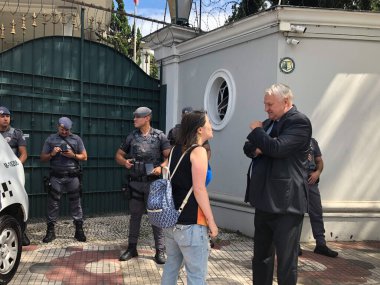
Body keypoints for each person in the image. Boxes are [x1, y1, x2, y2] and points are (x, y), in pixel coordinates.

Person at [243, 83, 312, 285]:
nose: (266, 109)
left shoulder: (299, 122)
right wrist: (263, 144)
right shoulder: (268, 123)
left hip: (286, 203)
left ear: (286, 102)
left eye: (270, 104)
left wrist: (259, 133)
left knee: (286, 261)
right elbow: (248, 147)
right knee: (261, 257)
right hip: (264, 200)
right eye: (265, 104)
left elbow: (277, 148)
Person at [161, 110, 218, 285]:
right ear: (200, 129)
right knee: (196, 274)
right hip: (191, 224)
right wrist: (212, 222)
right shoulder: (198, 151)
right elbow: (199, 190)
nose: (211, 125)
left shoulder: (175, 150)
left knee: (171, 266)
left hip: (172, 221)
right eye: (208, 122)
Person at [115, 107, 171, 264]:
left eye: (137, 117)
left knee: (156, 218)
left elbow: (169, 156)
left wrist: (161, 166)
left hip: (154, 185)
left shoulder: (160, 136)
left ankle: (160, 251)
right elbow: (118, 155)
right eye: (134, 117)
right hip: (135, 184)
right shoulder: (131, 137)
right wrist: (124, 162)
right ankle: (132, 248)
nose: (134, 119)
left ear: (147, 118)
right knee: (135, 217)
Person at [40, 117, 88, 243]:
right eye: (62, 129)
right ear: (58, 127)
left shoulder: (76, 139)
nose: (65, 132)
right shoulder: (51, 139)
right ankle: (50, 231)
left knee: (76, 203)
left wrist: (73, 155)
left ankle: (79, 230)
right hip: (56, 176)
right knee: (53, 203)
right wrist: (52, 154)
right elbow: (42, 158)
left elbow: (84, 157)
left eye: (67, 130)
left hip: (73, 176)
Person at [299, 138, 338, 257]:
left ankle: (321, 245)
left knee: (316, 212)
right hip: (297, 181)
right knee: (297, 213)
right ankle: (294, 245)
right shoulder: (292, 138)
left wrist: (317, 173)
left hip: (312, 182)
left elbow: (319, 161)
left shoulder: (312, 142)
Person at [0, 106, 30, 246]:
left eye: (7, 116)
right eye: (2, 116)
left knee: (17, 205)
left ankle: (21, 233)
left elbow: (23, 153)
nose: (5, 118)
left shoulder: (16, 133)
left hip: (12, 175)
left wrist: (16, 166)